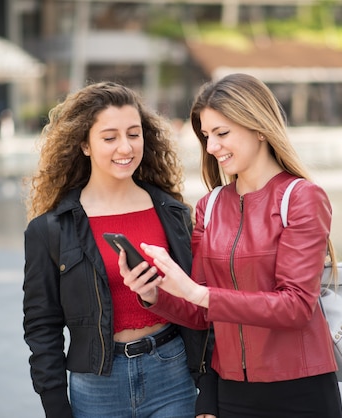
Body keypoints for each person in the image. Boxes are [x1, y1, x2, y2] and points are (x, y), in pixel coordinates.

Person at [120, 73, 342, 417]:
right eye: (207, 136)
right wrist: (154, 293)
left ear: (259, 127)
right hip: (232, 392)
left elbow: (296, 306)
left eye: (222, 134)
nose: (211, 147)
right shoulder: (209, 207)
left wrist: (200, 294)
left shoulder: (301, 198)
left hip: (299, 390)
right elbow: (200, 314)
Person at [22, 81, 216, 418]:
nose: (125, 147)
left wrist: (210, 392)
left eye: (133, 134)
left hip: (172, 373)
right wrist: (55, 405)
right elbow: (42, 325)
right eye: (109, 137)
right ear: (84, 144)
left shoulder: (173, 213)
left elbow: (202, 302)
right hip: (96, 387)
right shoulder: (50, 229)